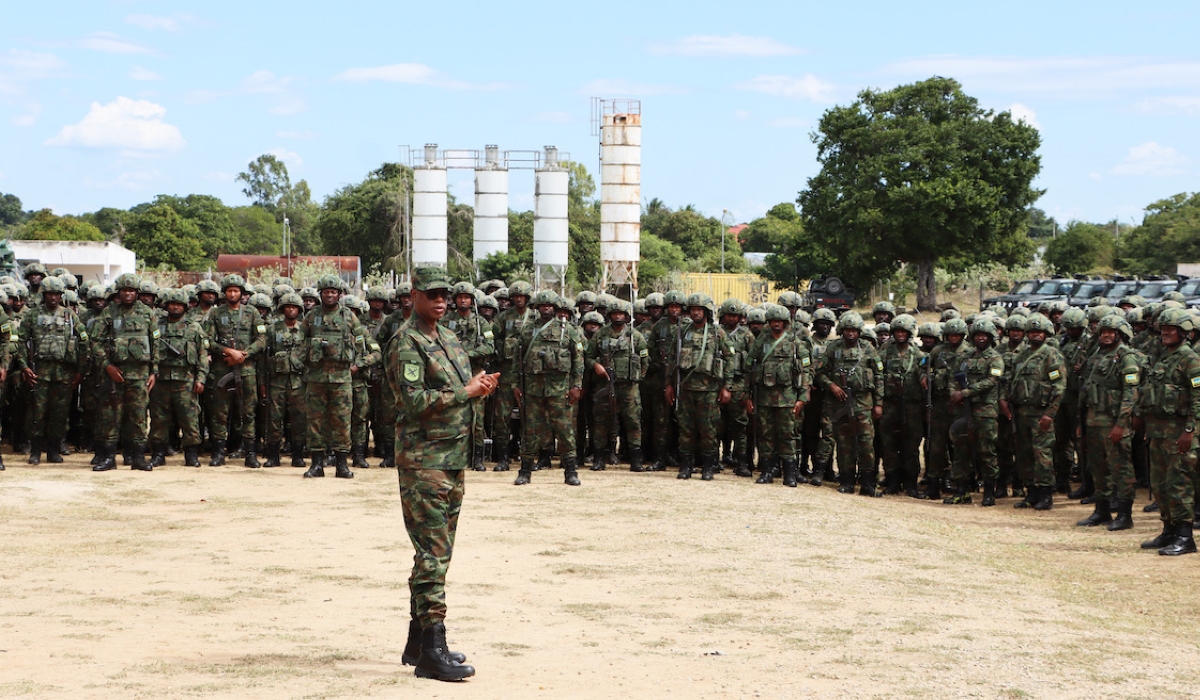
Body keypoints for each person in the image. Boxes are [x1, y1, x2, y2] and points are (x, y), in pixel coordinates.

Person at [389, 266, 497, 681]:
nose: (440, 300)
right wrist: (464, 392)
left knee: (439, 552)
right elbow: (413, 402)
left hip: (452, 458)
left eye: (444, 294)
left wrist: (476, 385)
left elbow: (453, 391)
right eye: (431, 293)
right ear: (413, 295)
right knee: (433, 554)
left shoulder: (448, 337)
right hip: (424, 461)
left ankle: (419, 642)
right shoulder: (406, 342)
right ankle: (433, 649)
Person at [1135, 308, 1200, 555]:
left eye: (1171, 329)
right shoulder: (1164, 358)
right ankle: (1169, 531)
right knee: (1161, 484)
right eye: (1163, 329)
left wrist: (1189, 430)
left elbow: (1198, 398)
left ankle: (1185, 537)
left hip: (1179, 433)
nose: (1166, 333)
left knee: (1179, 484)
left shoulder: (1190, 360)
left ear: (1185, 333)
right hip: (1159, 432)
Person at [91, 273, 159, 472]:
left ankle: (138, 458)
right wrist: (106, 365)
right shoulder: (109, 312)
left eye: (132, 290)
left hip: (140, 374)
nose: (128, 294)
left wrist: (154, 371)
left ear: (137, 292)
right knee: (110, 416)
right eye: (124, 290)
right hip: (114, 373)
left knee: (138, 416)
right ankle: (109, 458)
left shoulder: (148, 313)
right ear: (118, 292)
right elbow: (95, 341)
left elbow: (155, 344)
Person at [745, 304, 810, 486]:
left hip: (787, 398)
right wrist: (747, 395)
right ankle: (767, 471)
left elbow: (805, 372)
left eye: (780, 321)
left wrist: (802, 398)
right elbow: (749, 367)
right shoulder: (761, 343)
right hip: (764, 398)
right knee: (765, 435)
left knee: (787, 435)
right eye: (773, 321)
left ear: (786, 323)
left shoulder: (795, 344)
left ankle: (790, 473)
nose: (776, 324)